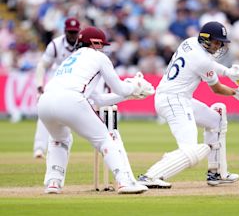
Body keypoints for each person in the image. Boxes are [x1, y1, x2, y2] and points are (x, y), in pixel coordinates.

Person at [138, 21, 239, 188]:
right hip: (173, 100)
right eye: (216, 42)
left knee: (216, 120)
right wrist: (237, 92)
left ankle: (217, 173)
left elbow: (209, 65)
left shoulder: (190, 42)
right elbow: (217, 89)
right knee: (191, 150)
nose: (219, 46)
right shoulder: (203, 61)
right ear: (206, 40)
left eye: (221, 42)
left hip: (178, 98)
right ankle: (150, 176)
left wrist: (228, 72)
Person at [37, 26, 154, 194]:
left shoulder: (71, 59)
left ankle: (53, 183)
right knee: (105, 140)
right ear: (95, 43)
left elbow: (98, 98)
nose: (103, 49)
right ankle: (124, 181)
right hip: (71, 100)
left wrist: (129, 95)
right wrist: (134, 86)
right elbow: (120, 89)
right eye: (102, 45)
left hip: (45, 102)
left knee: (59, 139)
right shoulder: (98, 57)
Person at [33, 17, 81, 159]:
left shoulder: (83, 44)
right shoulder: (55, 45)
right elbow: (42, 65)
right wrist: (40, 85)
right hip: (58, 83)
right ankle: (39, 149)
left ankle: (106, 146)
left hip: (78, 84)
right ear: (65, 31)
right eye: (70, 32)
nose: (73, 35)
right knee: (44, 111)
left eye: (75, 32)